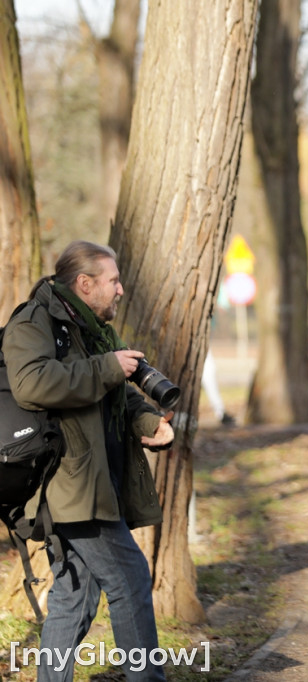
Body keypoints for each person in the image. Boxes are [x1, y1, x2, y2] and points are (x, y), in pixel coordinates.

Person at [3, 240, 175, 681]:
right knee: (130, 578)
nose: (120, 290)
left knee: (74, 597)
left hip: (96, 482)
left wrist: (148, 421)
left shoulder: (94, 329)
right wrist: (108, 368)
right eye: (113, 281)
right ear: (85, 283)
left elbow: (114, 393)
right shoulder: (33, 321)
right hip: (66, 484)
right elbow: (31, 384)